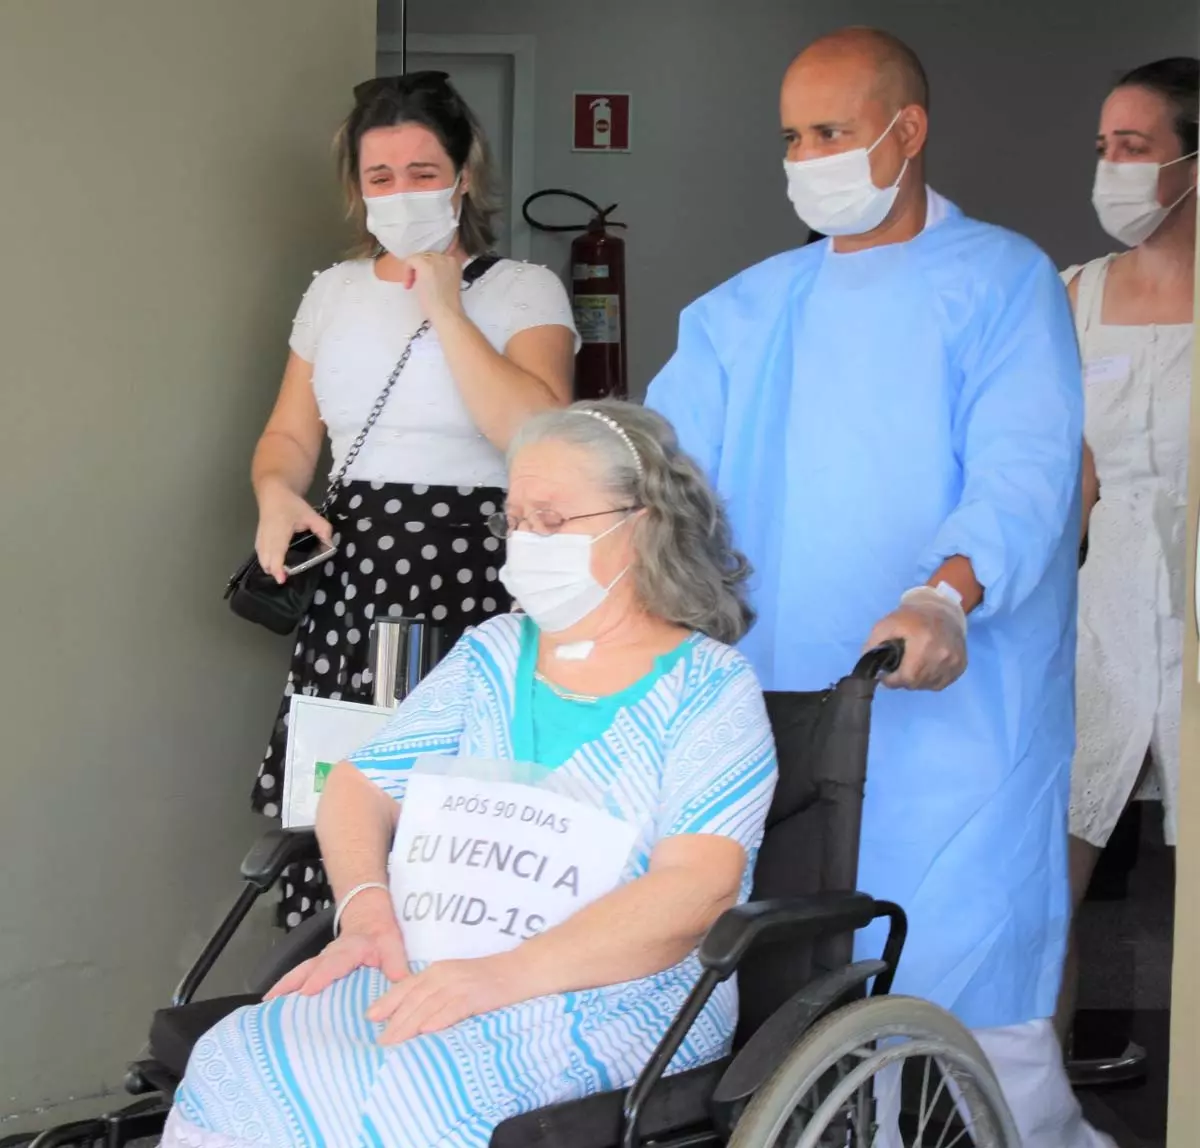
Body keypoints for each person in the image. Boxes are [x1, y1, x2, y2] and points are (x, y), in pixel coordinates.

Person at [647, 27, 1111, 1147]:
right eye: (792, 138)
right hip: (776, 699)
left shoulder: (1000, 280)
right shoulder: (742, 311)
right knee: (788, 981)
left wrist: (947, 594)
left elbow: (1026, 466)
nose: (807, 160)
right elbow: (656, 480)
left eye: (832, 132)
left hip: (953, 700)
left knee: (967, 987)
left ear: (908, 132)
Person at [162, 402, 777, 1148]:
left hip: (615, 992)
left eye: (552, 520)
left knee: (409, 1103)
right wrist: (366, 912)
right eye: (514, 520)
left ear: (643, 526)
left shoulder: (711, 688)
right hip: (435, 958)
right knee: (238, 1055)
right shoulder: (494, 651)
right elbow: (360, 785)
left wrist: (502, 976)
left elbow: (697, 889)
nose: (526, 541)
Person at [249, 72, 578, 928]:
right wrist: (276, 493)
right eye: (381, 176)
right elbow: (290, 435)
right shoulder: (333, 292)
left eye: (423, 172)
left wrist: (448, 310)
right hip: (357, 578)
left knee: (470, 820)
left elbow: (539, 434)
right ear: (358, 188)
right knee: (347, 805)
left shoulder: (523, 289)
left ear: (464, 175)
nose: (401, 192)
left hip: (483, 578)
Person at [1056, 57, 1197, 1050]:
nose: (1111, 168)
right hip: (1099, 606)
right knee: (1049, 874)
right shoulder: (1074, 295)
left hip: (1194, 600)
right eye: (1104, 147)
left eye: (1135, 147)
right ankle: (1035, 1096)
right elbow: (1066, 482)